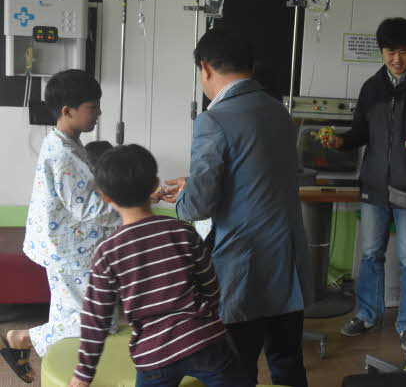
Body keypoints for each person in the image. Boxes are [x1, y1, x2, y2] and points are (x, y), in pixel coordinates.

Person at [162, 29, 312, 387]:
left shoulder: (213, 119)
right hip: (287, 261)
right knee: (287, 363)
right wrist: (192, 183)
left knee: (237, 370)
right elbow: (256, 176)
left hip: (244, 267)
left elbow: (196, 207)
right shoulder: (278, 111)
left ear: (205, 68)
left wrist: (184, 195)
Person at [68, 144, 251, 387]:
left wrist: (83, 372)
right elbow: (210, 285)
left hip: (154, 354)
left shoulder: (107, 253)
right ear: (154, 185)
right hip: (204, 340)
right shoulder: (182, 231)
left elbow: (95, 317)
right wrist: (206, 318)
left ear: (105, 196)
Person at [325, 17, 406, 345]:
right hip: (375, 185)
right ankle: (367, 314)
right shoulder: (372, 88)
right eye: (390, 52)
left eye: (403, 51)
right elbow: (359, 133)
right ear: (381, 51)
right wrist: (340, 141)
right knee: (370, 253)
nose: (396, 59)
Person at [0, 70, 121, 384]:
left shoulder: (65, 142)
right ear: (68, 111)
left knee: (69, 315)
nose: (99, 113)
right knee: (100, 321)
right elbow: (90, 208)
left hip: (66, 245)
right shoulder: (64, 154)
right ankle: (22, 338)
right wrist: (134, 203)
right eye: (93, 107)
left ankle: (59, 363)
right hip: (71, 251)